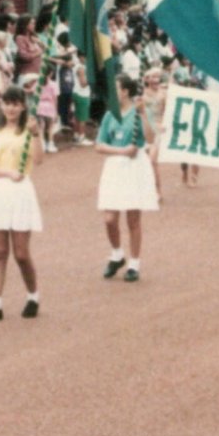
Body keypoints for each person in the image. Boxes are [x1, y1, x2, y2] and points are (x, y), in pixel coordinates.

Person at [0, 85, 41, 322]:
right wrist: (7, 173)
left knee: (21, 253)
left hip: (22, 191)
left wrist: (36, 134)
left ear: (23, 106)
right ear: (1, 105)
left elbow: (39, 160)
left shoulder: (28, 131)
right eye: (7, 103)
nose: (11, 108)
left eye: (15, 103)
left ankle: (33, 295)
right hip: (0, 191)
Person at [94, 76, 158, 282]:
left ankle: (134, 263)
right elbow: (99, 145)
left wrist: (143, 114)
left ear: (126, 91)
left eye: (116, 89)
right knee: (109, 218)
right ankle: (117, 254)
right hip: (115, 165)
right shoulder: (109, 115)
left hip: (135, 166)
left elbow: (149, 139)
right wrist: (121, 151)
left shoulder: (139, 112)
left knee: (133, 218)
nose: (113, 93)